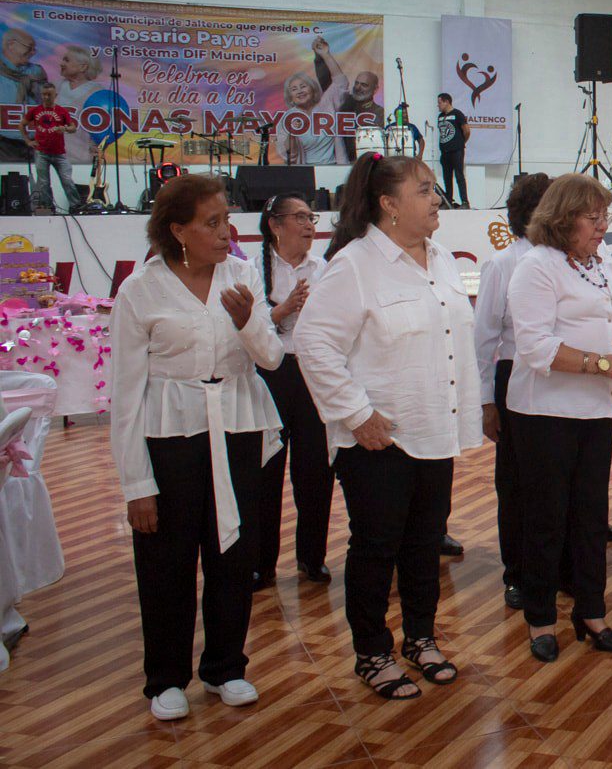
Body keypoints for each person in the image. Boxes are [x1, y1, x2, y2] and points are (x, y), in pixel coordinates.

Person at [296, 153, 480, 699]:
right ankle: (372, 651)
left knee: (425, 543)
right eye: (423, 190)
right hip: (379, 437)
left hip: (433, 429)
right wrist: (355, 414)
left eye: (433, 188)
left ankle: (420, 638)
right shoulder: (354, 264)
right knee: (376, 547)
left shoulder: (442, 259)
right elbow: (312, 342)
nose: (435, 198)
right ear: (388, 204)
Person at [111, 174, 284, 720]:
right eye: (211, 223)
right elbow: (125, 395)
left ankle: (226, 667)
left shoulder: (239, 273)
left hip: (237, 427)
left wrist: (246, 321)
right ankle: (165, 677)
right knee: (167, 560)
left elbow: (272, 358)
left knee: (233, 555)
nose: (225, 231)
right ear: (178, 230)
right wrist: (137, 484)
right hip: (171, 436)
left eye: (226, 219)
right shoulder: (141, 289)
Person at [506, 173, 612, 661]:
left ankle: (591, 612)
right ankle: (540, 619)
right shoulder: (537, 266)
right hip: (544, 412)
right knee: (547, 519)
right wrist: (608, 364)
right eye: (594, 218)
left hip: (594, 408)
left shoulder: (600, 260)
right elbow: (533, 348)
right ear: (564, 217)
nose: (602, 226)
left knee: (591, 516)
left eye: (605, 217)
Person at [474, 173, 552, 610]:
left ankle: (551, 567)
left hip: (557, 379)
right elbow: (484, 339)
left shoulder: (565, 260)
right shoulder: (504, 264)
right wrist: (487, 402)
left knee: (552, 481)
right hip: (512, 374)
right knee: (516, 482)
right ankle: (517, 573)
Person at [252, 193, 333, 590]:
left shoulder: (326, 268)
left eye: (311, 218)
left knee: (316, 471)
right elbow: (242, 328)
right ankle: (261, 564)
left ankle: (311, 558)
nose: (309, 226)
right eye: (300, 217)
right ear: (275, 225)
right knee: (266, 471)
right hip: (270, 374)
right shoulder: (251, 269)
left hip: (314, 375)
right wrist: (280, 312)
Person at [274, 37, 350, 165]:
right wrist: (292, 133)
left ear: (313, 89)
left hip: (332, 168)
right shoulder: (288, 117)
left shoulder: (326, 104)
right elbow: (287, 153)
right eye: (294, 89)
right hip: (303, 172)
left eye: (303, 86)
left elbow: (341, 82)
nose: (300, 91)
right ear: (290, 96)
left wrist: (326, 55)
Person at [21, 82, 82, 214]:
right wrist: (28, 141)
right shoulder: (35, 111)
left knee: (67, 180)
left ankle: (76, 206)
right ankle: (49, 208)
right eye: (44, 94)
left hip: (59, 153)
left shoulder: (61, 111)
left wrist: (64, 128)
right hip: (41, 152)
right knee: (43, 182)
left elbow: (73, 128)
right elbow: (22, 124)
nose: (46, 97)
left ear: (55, 95)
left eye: (49, 94)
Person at [55, 44, 104, 168]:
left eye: (66, 60)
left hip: (81, 158)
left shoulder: (97, 92)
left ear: (83, 67)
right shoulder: (56, 86)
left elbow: (103, 127)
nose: (61, 63)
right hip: (53, 154)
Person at [0, 28, 46, 162]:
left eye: (34, 49)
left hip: (35, 142)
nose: (33, 52)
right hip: (5, 143)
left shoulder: (36, 71)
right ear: (11, 45)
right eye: (29, 47)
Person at [339, 71, 384, 160]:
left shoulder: (380, 113)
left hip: (367, 160)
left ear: (375, 89)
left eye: (364, 85)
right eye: (357, 83)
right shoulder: (343, 101)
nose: (358, 87)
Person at [437, 93, 470, 208]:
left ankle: (465, 202)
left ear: (447, 102)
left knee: (459, 176)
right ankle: (448, 201)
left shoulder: (457, 114)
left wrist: (461, 143)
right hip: (444, 152)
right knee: (447, 177)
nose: (438, 105)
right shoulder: (440, 116)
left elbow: (466, 130)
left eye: (440, 103)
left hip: (456, 150)